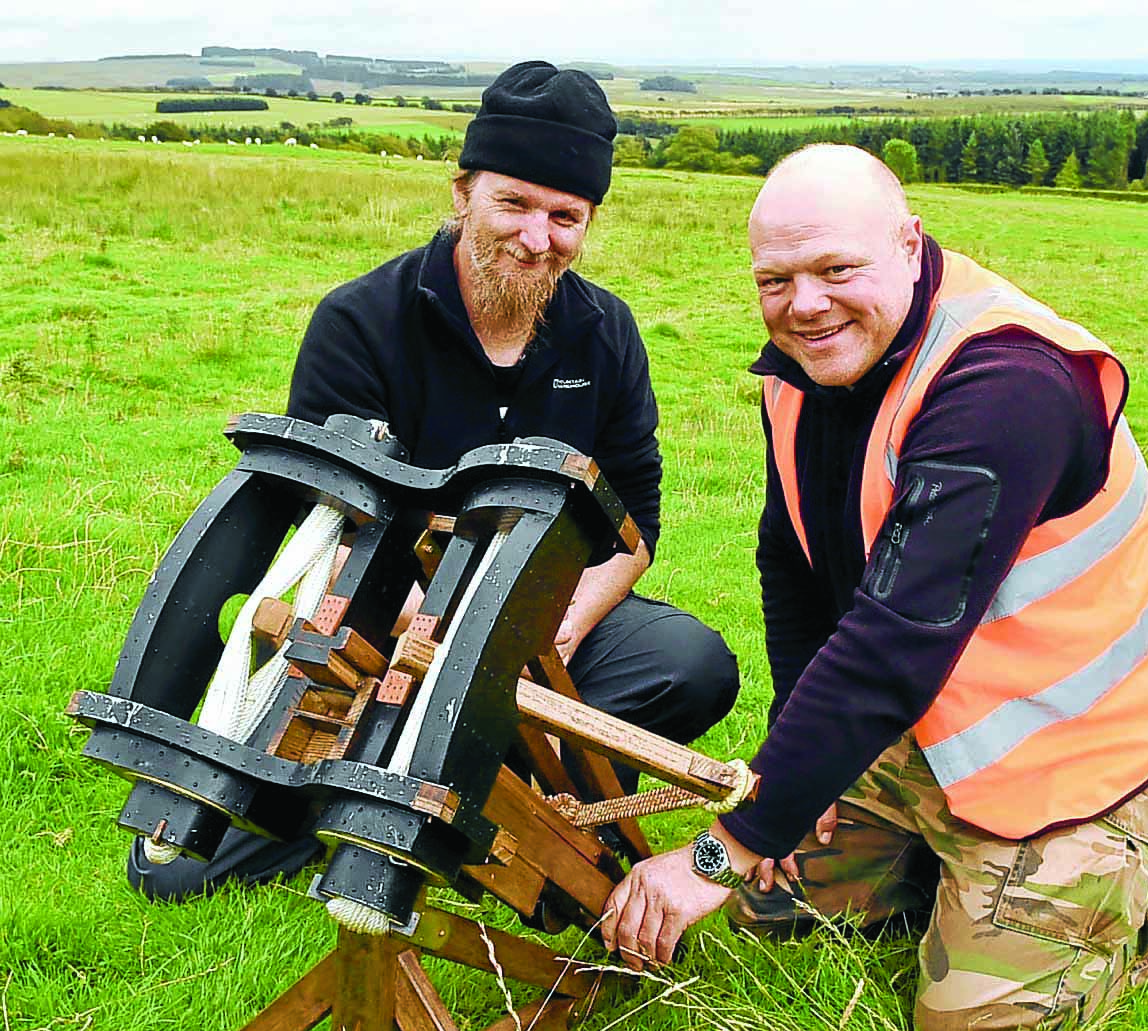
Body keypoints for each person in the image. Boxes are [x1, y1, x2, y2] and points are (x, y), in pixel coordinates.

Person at [601, 143, 1148, 1031]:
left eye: (836, 269)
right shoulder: (805, 370)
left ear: (909, 242)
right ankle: (957, 863)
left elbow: (893, 642)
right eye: (777, 279)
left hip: (1081, 734)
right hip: (940, 715)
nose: (806, 304)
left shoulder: (1006, 385)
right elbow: (794, 565)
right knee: (779, 907)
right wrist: (798, 786)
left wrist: (721, 847)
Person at [127, 61, 739, 901]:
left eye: (566, 216)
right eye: (514, 203)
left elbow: (637, 525)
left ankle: (496, 790)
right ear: (462, 193)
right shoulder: (362, 321)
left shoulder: (607, 334)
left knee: (690, 664)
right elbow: (325, 530)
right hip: (381, 629)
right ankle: (410, 787)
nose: (537, 237)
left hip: (547, 619)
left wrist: (550, 630)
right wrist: (449, 642)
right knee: (178, 874)